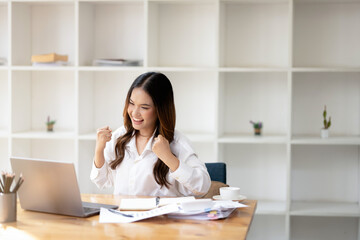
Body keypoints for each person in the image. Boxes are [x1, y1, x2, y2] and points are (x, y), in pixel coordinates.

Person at [90, 72, 211, 197]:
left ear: (160, 109)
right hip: (123, 214)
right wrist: (99, 150)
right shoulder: (119, 136)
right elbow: (101, 181)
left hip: (160, 216)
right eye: (131, 103)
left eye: (144, 107)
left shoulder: (177, 142)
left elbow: (202, 188)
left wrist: (168, 157)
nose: (134, 113)